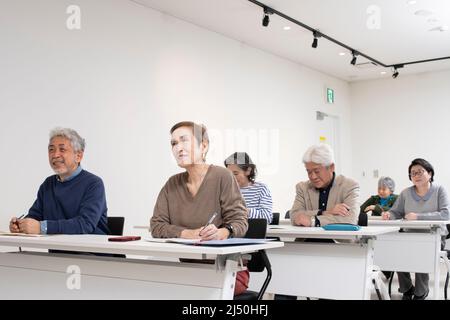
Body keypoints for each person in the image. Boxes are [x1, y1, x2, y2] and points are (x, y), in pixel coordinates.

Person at [150, 121, 248, 295]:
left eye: (184, 140)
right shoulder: (172, 184)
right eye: (174, 143)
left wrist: (222, 232)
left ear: (203, 146)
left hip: (227, 271)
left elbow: (239, 221)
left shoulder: (222, 176)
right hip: (189, 271)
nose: (178, 148)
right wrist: (189, 233)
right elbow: (157, 226)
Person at [9, 127, 109, 235]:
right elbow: (35, 217)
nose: (55, 155)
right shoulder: (48, 184)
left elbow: (85, 224)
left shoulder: (94, 184)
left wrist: (42, 227)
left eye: (62, 149)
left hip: (90, 250)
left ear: (78, 156)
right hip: (59, 250)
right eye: (51, 149)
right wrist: (21, 225)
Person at [382, 158, 449, 300]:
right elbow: (396, 212)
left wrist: (418, 217)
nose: (416, 176)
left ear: (430, 174)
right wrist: (389, 215)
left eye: (420, 172)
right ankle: (407, 289)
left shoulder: (439, 190)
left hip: (434, 237)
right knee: (396, 252)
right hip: (409, 235)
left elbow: (445, 214)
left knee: (421, 250)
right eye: (413, 173)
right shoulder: (406, 193)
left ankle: (421, 292)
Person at [290, 143, 360, 227]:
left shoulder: (349, 186)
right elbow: (295, 216)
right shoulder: (302, 187)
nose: (313, 176)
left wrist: (314, 221)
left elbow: (350, 220)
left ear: (331, 167)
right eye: (308, 172)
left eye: (317, 171)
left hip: (337, 239)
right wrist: (325, 212)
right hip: (308, 239)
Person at [224, 152, 273, 224]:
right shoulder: (226, 190)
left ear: (248, 171)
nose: (232, 178)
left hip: (253, 233)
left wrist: (242, 211)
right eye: (229, 174)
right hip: (230, 232)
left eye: (235, 173)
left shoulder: (261, 189)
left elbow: (267, 217)